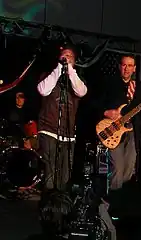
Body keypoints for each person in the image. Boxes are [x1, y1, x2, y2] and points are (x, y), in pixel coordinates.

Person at [98, 55, 141, 193]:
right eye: (124, 65)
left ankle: (118, 197)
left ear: (134, 69)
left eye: (130, 66)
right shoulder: (109, 83)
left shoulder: (140, 87)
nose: (127, 69)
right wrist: (105, 112)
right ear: (119, 66)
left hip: (131, 131)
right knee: (117, 168)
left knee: (129, 169)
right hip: (114, 130)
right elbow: (93, 103)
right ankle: (110, 201)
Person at [37, 44, 87, 191]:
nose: (66, 58)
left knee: (65, 176)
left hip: (68, 135)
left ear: (75, 61)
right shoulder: (48, 75)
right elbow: (43, 90)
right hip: (48, 130)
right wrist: (59, 69)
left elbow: (81, 91)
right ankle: (47, 207)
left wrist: (70, 71)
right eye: (63, 55)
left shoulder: (77, 79)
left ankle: (59, 208)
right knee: (50, 175)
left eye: (69, 56)